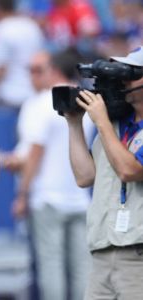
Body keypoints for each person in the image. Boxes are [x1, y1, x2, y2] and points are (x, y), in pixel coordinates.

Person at [11, 49, 93, 300]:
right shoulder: (88, 102)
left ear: (54, 70)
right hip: (79, 197)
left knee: (51, 266)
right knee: (81, 268)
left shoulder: (41, 103)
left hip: (47, 197)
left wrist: (23, 194)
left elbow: (35, 153)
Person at [65, 46, 143, 299]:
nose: (122, 81)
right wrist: (74, 123)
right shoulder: (115, 125)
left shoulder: (107, 125)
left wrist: (101, 122)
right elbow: (84, 177)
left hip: (137, 256)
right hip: (102, 251)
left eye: (130, 74)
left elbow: (129, 170)